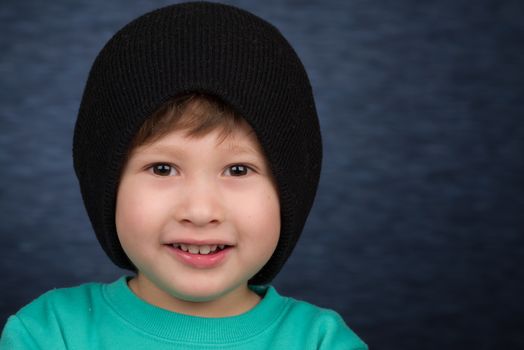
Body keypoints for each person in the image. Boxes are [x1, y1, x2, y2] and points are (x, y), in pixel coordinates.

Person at [0, 2, 367, 349]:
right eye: (163, 168)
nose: (201, 210)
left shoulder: (320, 341)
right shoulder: (50, 333)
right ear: (106, 187)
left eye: (238, 169)